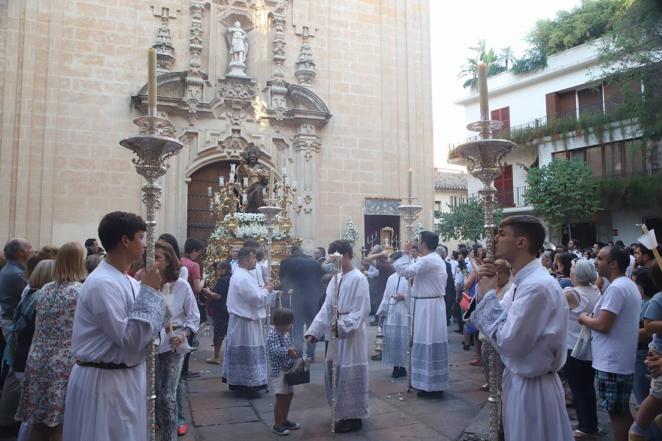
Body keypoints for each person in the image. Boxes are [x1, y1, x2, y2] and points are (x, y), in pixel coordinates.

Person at [62, 211, 167, 441]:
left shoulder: (128, 280)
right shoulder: (102, 283)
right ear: (125, 240)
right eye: (141, 237)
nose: (145, 244)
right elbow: (130, 338)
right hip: (104, 383)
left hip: (127, 380)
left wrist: (149, 292)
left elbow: (154, 326)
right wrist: (149, 292)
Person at [467, 215, 573, 441]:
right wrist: (486, 287)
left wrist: (487, 295)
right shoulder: (521, 282)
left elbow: (509, 341)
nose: (494, 239)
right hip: (521, 383)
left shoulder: (537, 286)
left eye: (502, 234)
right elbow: (494, 324)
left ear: (521, 242)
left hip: (534, 390)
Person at [15, 241, 87, 441]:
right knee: (59, 424)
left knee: (38, 424)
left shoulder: (44, 289)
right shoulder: (79, 292)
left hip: (37, 359)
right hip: (63, 364)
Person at [305, 240, 370, 433]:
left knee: (349, 374)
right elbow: (326, 308)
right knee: (335, 373)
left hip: (351, 335)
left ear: (348, 255)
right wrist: (314, 332)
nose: (336, 262)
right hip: (334, 332)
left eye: (338, 258)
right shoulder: (335, 278)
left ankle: (354, 417)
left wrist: (342, 326)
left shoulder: (359, 279)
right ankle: (341, 412)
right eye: (332, 258)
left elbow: (362, 310)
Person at [578, 246, 640, 441]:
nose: (596, 261)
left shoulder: (617, 287)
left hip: (613, 361)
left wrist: (583, 318)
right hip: (617, 358)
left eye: (600, 258)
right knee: (619, 412)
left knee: (617, 413)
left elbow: (604, 324)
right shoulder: (625, 285)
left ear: (613, 264)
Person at [0, 259, 54, 433]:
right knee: (35, 417)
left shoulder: (30, 294)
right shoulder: (41, 298)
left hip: (21, 353)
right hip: (29, 356)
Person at [153, 241, 199, 441]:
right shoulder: (144, 283)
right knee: (153, 394)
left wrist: (183, 334)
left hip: (174, 342)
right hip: (152, 343)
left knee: (168, 395)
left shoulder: (181, 285)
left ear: (169, 260)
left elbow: (193, 316)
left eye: (157, 258)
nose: (152, 261)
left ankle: (170, 436)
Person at [393, 231, 448, 397]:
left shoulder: (429, 259)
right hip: (428, 304)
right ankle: (428, 384)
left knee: (427, 342)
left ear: (423, 244)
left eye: (419, 242)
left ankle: (429, 386)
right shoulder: (433, 259)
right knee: (426, 342)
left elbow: (404, 271)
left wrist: (404, 253)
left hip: (428, 308)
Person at [222, 247, 274, 398]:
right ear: (245, 260)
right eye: (252, 258)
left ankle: (240, 382)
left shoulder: (240, 274)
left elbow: (252, 294)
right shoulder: (243, 277)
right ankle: (249, 384)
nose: (255, 261)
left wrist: (261, 290)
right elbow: (256, 299)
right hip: (246, 324)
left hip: (241, 321)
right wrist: (267, 290)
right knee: (249, 354)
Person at [562, 258, 601, 439]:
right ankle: (590, 423)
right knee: (587, 387)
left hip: (573, 347)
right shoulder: (595, 290)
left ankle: (585, 426)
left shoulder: (571, 293)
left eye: (572, 268)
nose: (570, 271)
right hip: (591, 345)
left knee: (578, 388)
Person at [629, 265, 662, 441]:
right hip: (656, 351)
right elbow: (649, 326)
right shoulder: (657, 299)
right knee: (656, 393)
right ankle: (639, 431)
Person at [279, 247, 322, 361]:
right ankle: (310, 354)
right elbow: (319, 280)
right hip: (312, 297)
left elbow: (284, 280)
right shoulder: (314, 263)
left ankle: (298, 352)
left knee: (297, 326)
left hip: (297, 297)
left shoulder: (288, 262)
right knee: (312, 326)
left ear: (292, 253)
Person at [267, 308, 301, 436]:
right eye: (289, 323)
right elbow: (275, 351)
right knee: (281, 397)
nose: (291, 326)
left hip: (288, 369)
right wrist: (288, 350)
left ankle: (284, 420)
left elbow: (288, 348)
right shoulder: (272, 334)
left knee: (289, 396)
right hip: (279, 371)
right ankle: (277, 424)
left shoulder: (284, 334)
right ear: (281, 323)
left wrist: (293, 353)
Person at [376, 251, 410, 378]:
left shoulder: (410, 277)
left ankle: (404, 366)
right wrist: (382, 311)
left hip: (404, 311)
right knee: (393, 339)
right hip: (392, 311)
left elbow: (414, 294)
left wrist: (404, 296)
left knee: (403, 339)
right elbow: (386, 295)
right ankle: (396, 366)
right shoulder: (392, 278)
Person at [0, 239, 32, 338]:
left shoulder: (9, 269)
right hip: (14, 324)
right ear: (21, 252)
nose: (32, 251)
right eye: (29, 247)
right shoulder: (17, 274)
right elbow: (30, 299)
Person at [202, 261, 232, 364]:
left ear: (225, 270)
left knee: (218, 333)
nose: (217, 271)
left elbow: (218, 295)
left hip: (220, 310)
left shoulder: (224, 281)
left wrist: (209, 292)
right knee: (228, 333)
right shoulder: (230, 279)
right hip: (227, 309)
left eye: (219, 269)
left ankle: (216, 356)